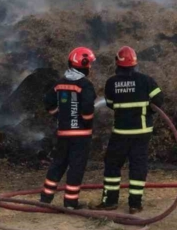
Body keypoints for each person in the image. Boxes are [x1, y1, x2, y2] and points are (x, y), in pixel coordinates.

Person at [95, 46, 164, 214]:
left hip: (121, 133)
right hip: (142, 132)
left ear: (117, 64)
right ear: (135, 63)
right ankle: (135, 204)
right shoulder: (146, 80)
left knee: (112, 165)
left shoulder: (112, 82)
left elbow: (110, 104)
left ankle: (110, 201)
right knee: (138, 166)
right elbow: (159, 100)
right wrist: (148, 109)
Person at [40, 47, 97, 209]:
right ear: (83, 64)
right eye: (89, 64)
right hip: (80, 135)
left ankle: (45, 199)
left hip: (63, 133)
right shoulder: (85, 84)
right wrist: (87, 121)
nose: (90, 67)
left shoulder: (59, 83)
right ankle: (70, 202)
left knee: (58, 164)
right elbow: (87, 107)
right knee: (76, 167)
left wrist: (59, 115)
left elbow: (48, 101)